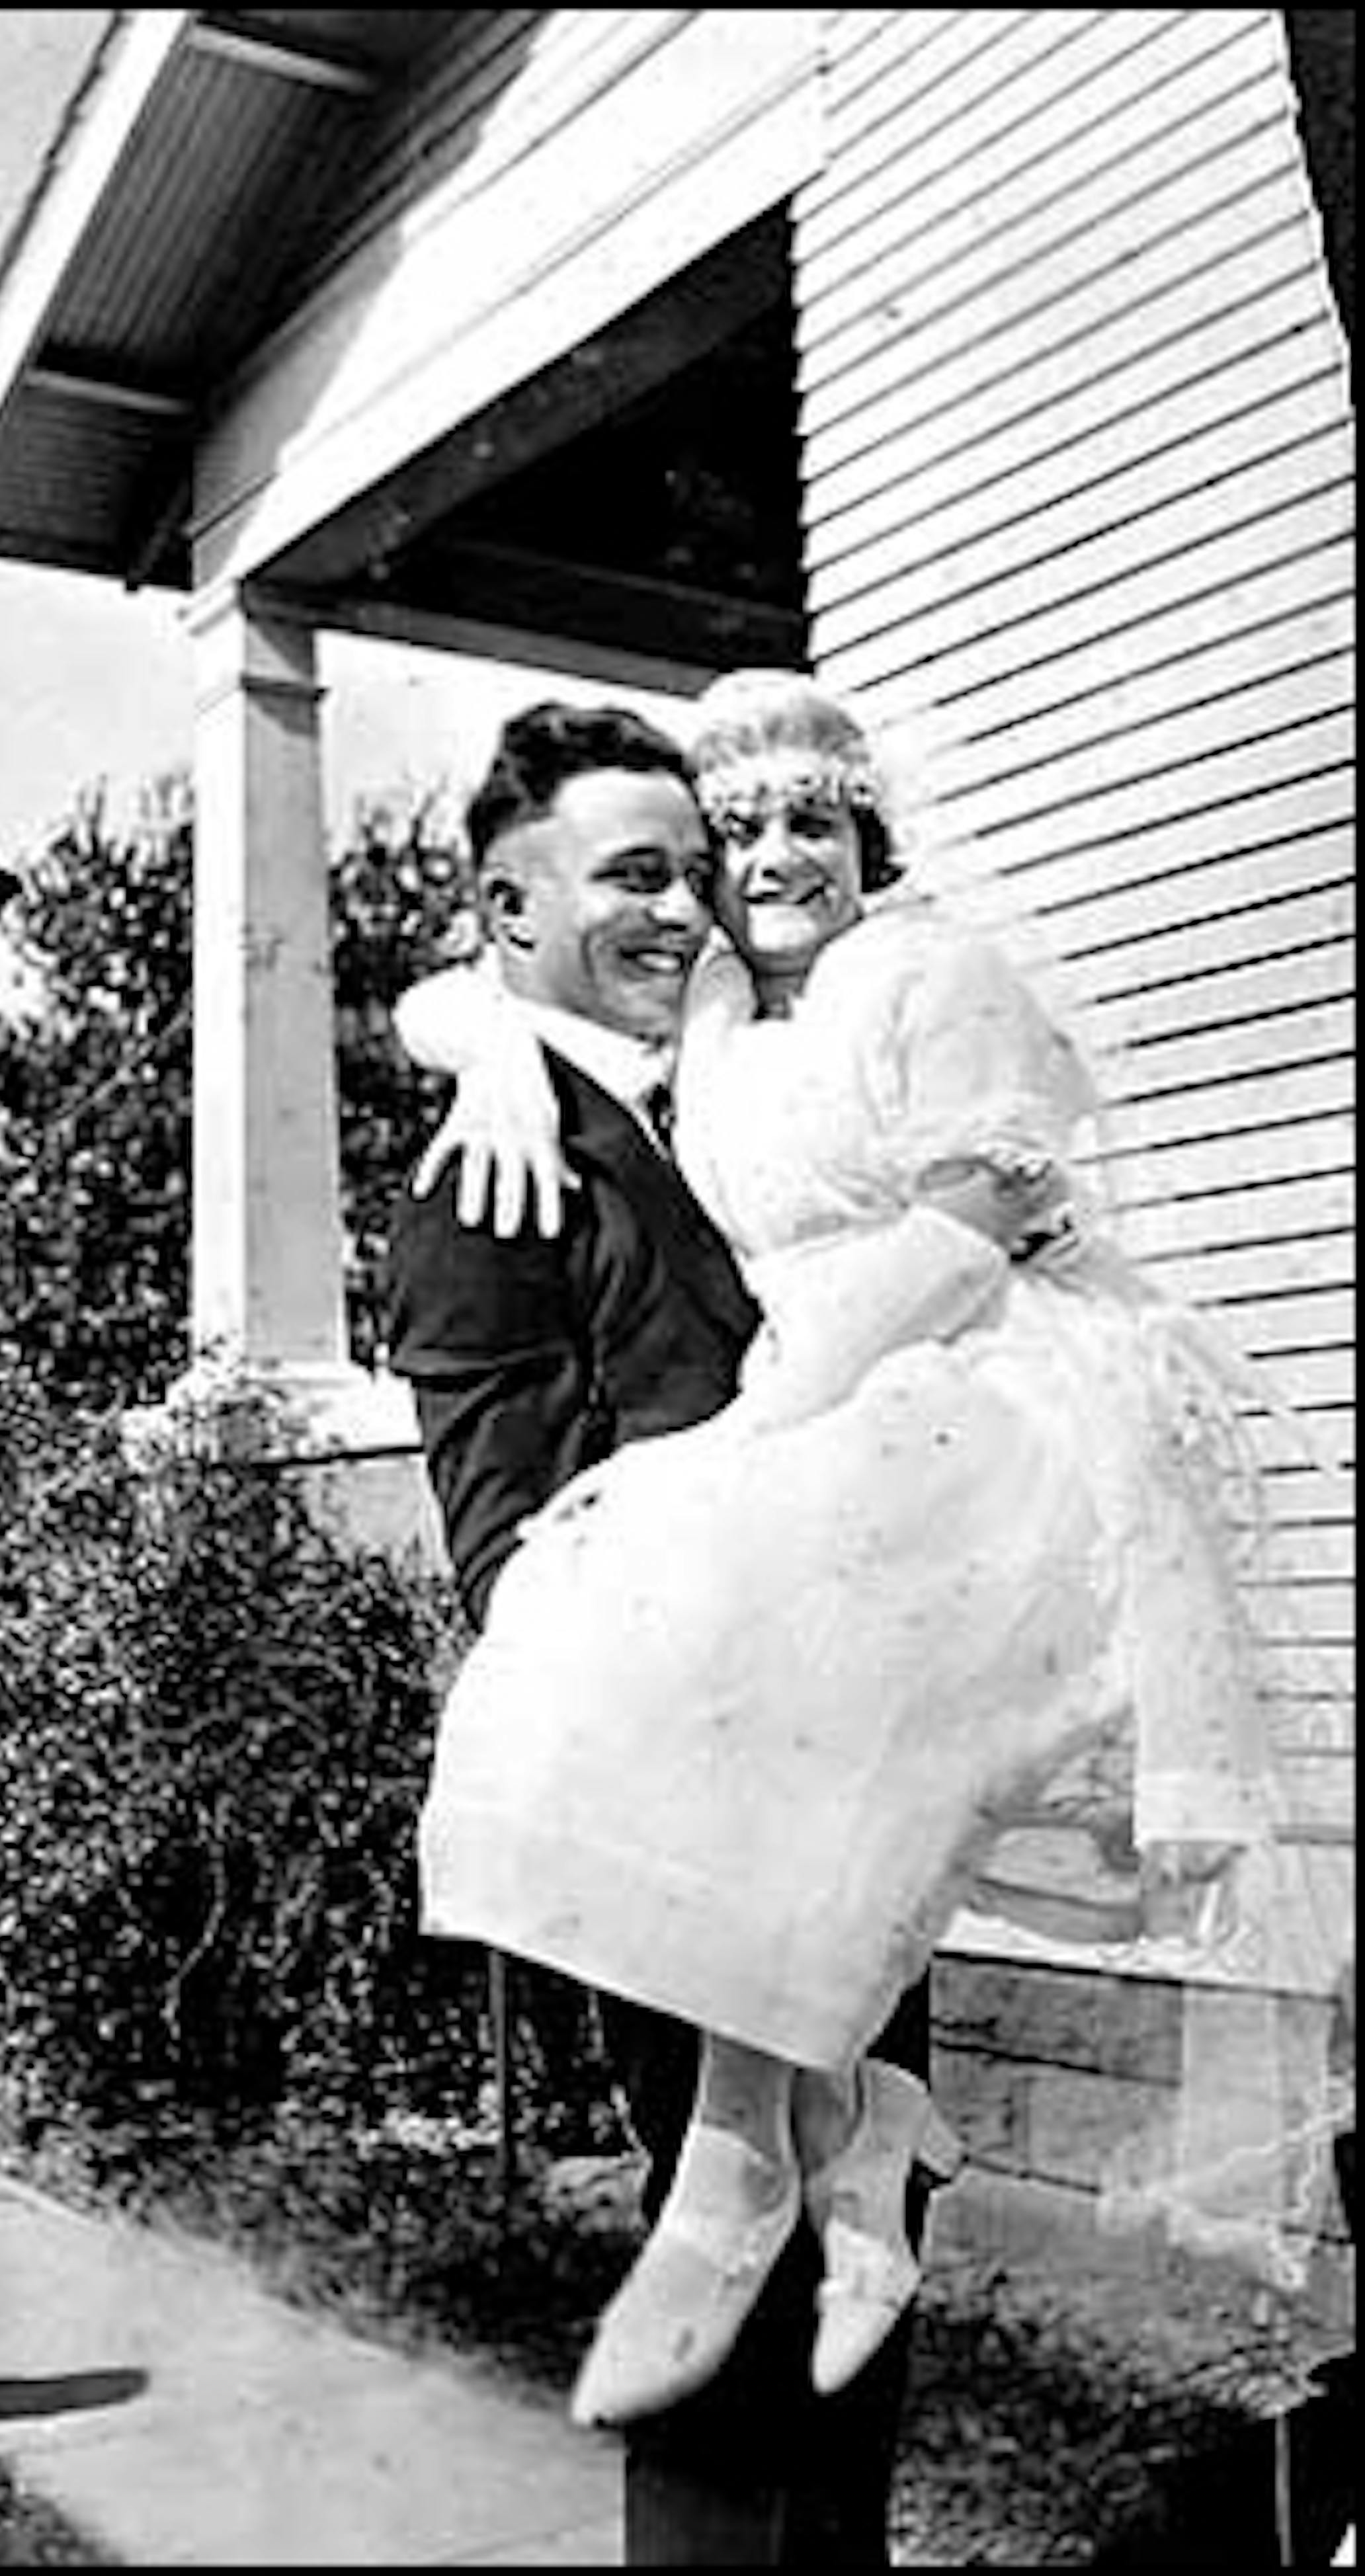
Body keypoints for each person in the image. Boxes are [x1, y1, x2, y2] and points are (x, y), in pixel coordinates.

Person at [393, 671, 1352, 2438]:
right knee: (739, 2374)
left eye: (792, 830)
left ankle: (796, 2142)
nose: (744, 874)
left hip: (962, 1412)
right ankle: (798, 2139)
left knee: (835, 2367)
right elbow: (473, 987)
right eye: (716, 839)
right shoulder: (680, 1047)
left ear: (866, 831)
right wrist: (487, 1048)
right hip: (801, 1541)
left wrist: (781, 1405)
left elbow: (975, 1214)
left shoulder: (913, 980)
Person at [383, 698, 938, 2567]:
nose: (688, 912)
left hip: (853, 1774)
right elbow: (513, 1566)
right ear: (504, 912)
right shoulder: (499, 1167)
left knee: (866, 2266)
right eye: (634, 874)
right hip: (681, 1809)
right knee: (736, 2298)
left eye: (692, 872)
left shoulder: (695, 1101)